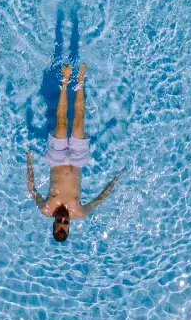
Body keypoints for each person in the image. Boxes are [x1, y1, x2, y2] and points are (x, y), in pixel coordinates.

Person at [26, 63, 124, 242]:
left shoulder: (46, 208)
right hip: (78, 161)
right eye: (66, 222)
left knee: (61, 121)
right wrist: (116, 178)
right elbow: (100, 198)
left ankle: (64, 82)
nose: (64, 218)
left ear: (54, 223)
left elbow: (32, 189)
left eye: (59, 221)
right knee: (79, 121)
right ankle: (80, 81)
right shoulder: (79, 212)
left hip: (56, 159)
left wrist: (29, 162)